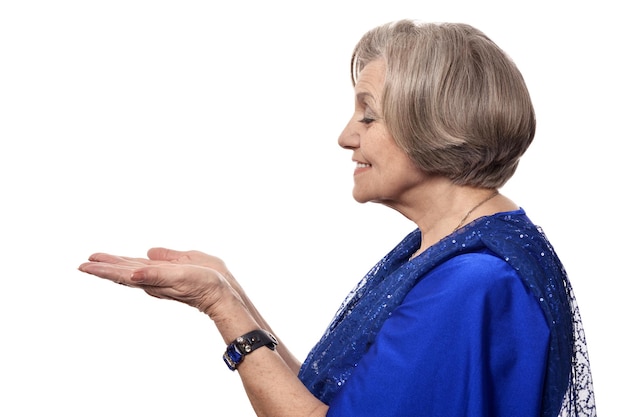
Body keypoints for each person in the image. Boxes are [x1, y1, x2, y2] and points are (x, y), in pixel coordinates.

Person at [78, 19, 596, 416]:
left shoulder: (470, 280)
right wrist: (233, 294)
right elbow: (341, 402)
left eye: (368, 114)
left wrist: (219, 307)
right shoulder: (453, 248)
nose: (347, 136)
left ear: (435, 124)